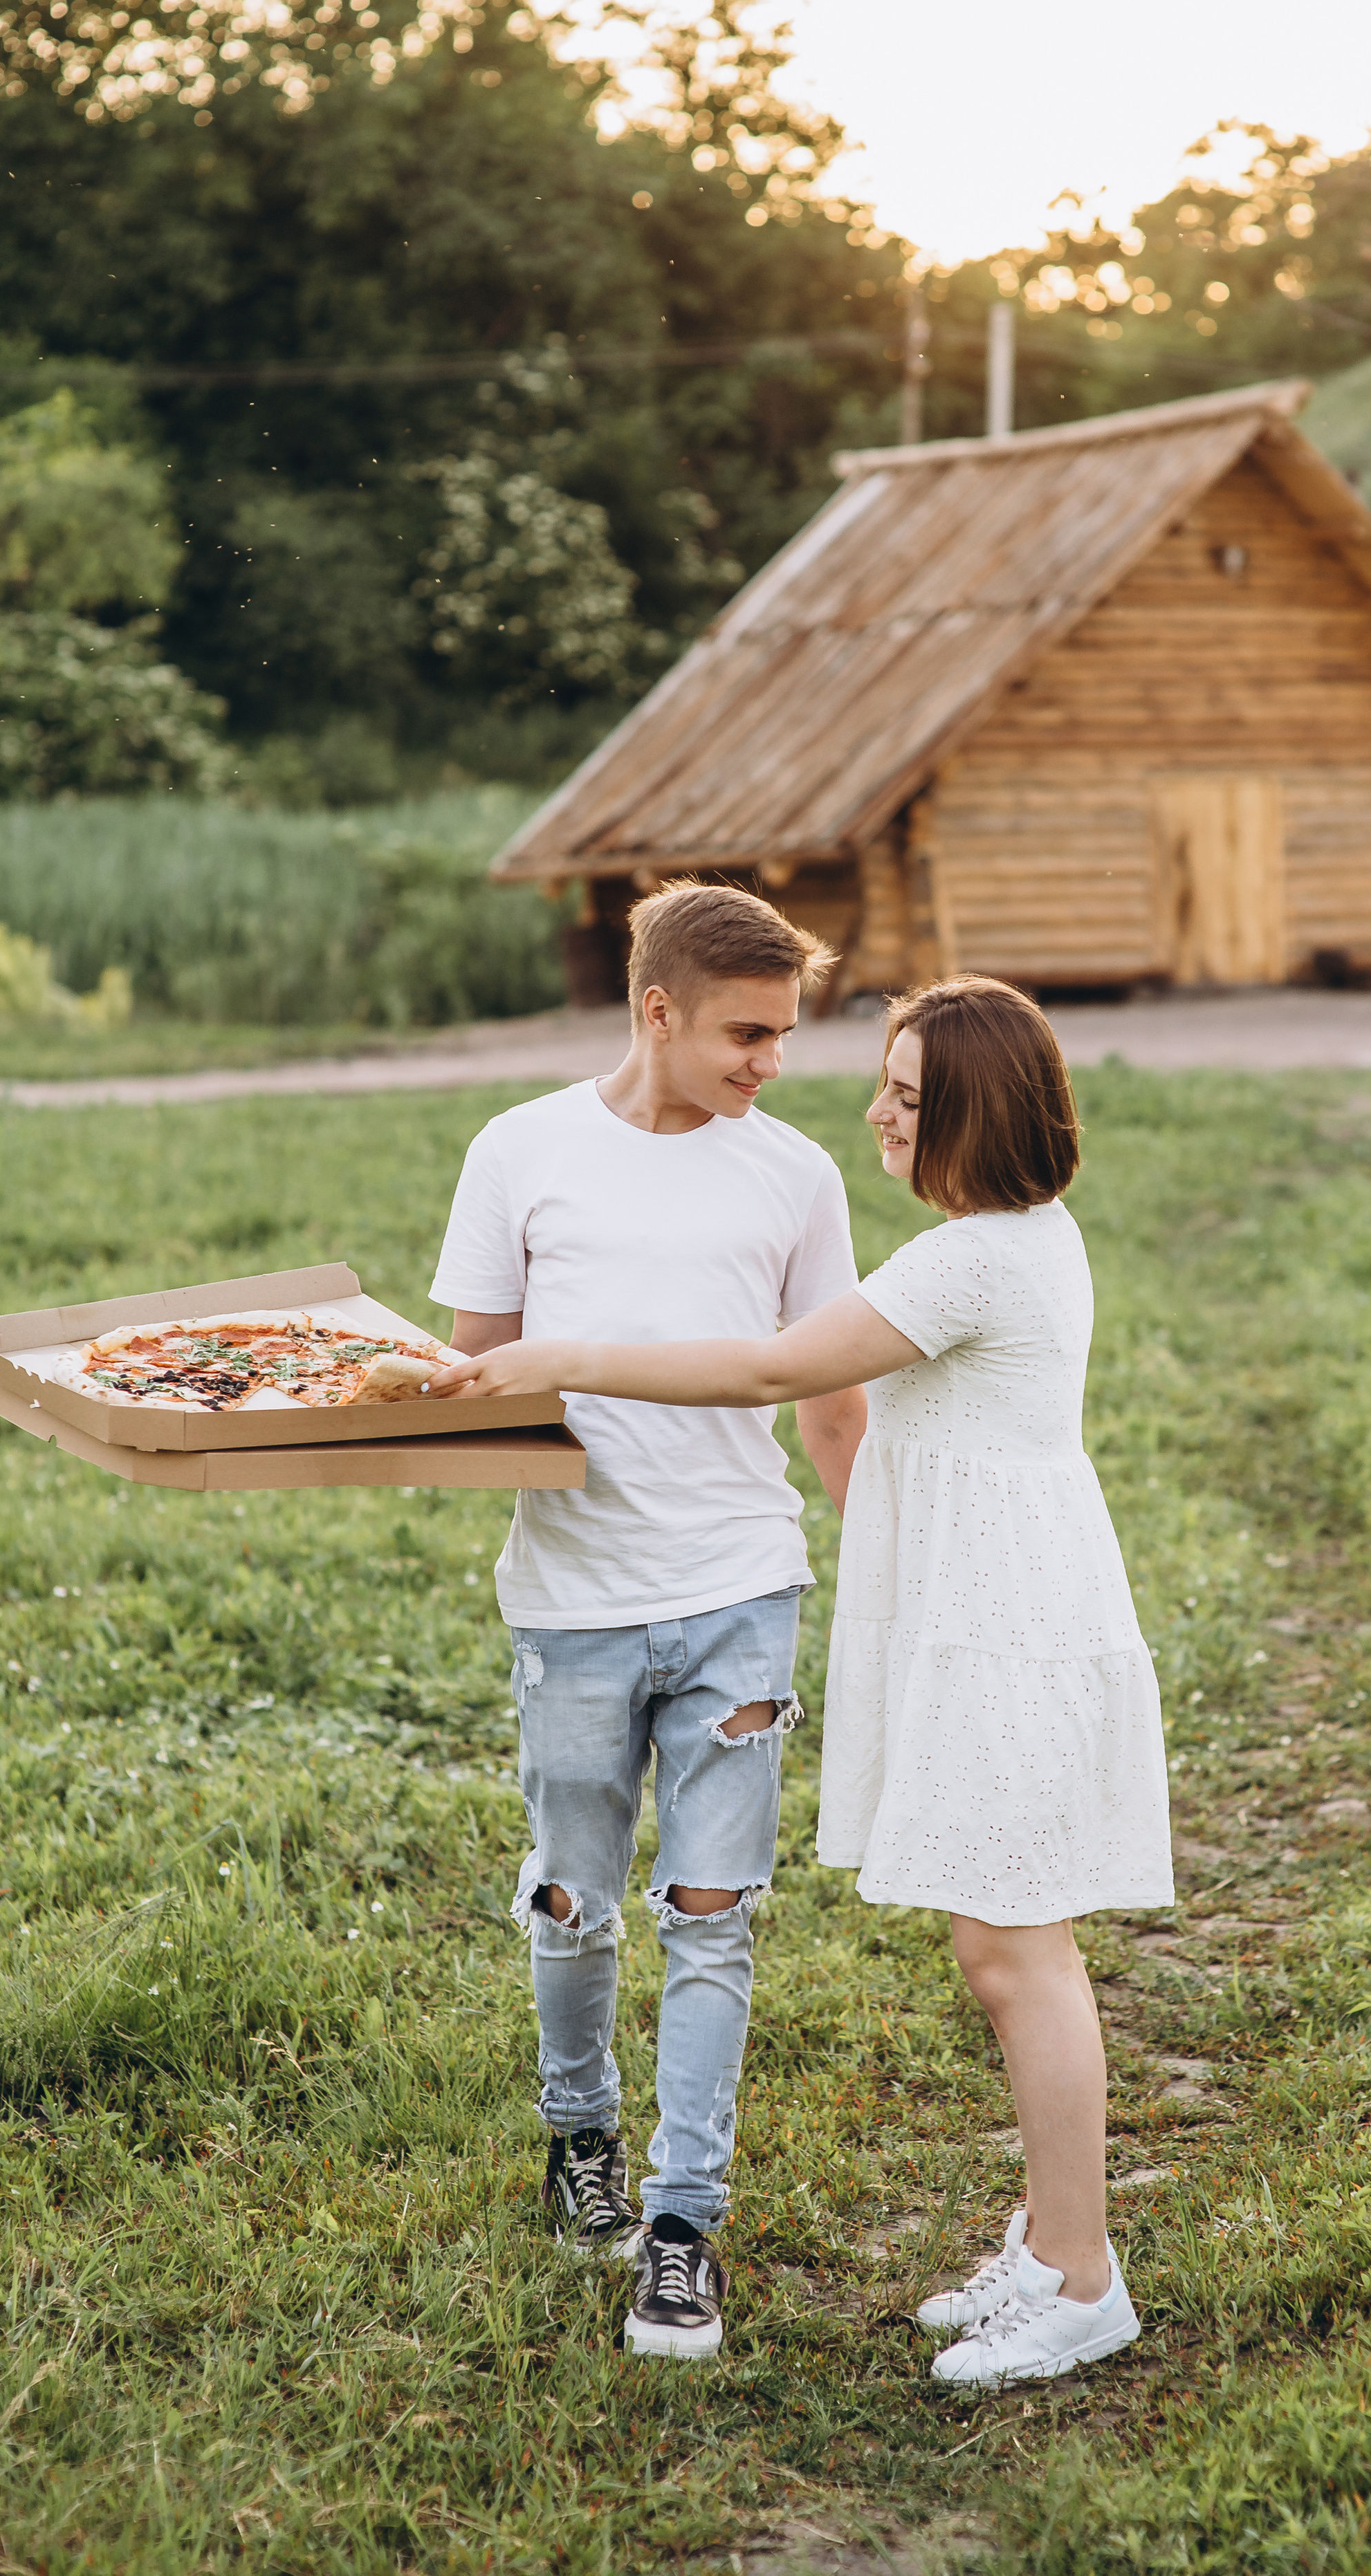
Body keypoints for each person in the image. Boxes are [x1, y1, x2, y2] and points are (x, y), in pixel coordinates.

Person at [434, 974, 1175, 2389]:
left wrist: (567, 1355)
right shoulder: (1002, 1239)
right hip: (992, 1613)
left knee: (1020, 1958)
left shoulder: (971, 1262)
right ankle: (1047, 2244)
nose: (876, 1112)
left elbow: (775, 1365)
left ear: (971, 1107)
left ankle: (1080, 2279)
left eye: (905, 1093)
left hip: (1003, 1630)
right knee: (1002, 1949)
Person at [426, 881, 866, 2360]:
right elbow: (468, 1376)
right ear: (656, 1009)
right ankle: (579, 2138)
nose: (770, 1062)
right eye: (745, 1032)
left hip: (741, 1587)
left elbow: (827, 1388)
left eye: (784, 1034)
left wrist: (869, 1558)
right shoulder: (520, 1151)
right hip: (571, 1604)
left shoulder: (796, 1174)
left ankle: (680, 2230)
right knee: (574, 1897)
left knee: (716, 1917)